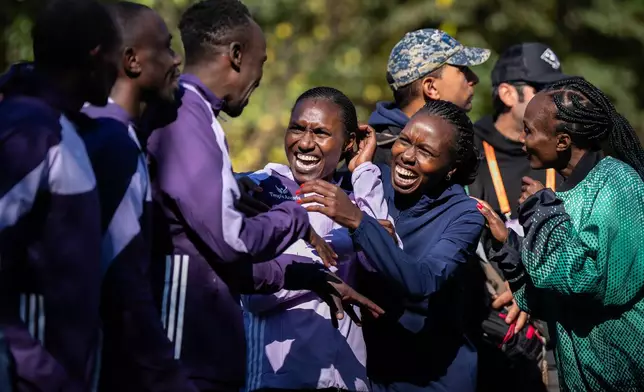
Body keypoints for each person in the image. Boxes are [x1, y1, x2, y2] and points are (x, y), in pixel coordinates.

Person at [147, 2, 380, 391]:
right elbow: (234, 243)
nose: (260, 76)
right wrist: (298, 219)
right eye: (262, 61)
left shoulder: (202, 119)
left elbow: (226, 259)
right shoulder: (188, 120)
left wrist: (306, 273)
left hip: (211, 358)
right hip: (184, 357)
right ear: (237, 56)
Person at [298, 100, 486, 391]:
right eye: (405, 141)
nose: (407, 157)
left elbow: (423, 280)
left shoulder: (464, 215)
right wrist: (247, 186)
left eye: (425, 151)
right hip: (369, 371)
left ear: (452, 168)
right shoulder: (374, 182)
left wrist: (360, 222)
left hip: (432, 377)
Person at [493, 76, 644, 391]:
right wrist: (509, 246)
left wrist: (541, 213)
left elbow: (588, 280)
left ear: (562, 141)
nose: (522, 139)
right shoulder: (564, 195)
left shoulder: (617, 182)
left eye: (530, 131)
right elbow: (555, 296)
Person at [0, 0, 120, 389]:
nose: (118, 72)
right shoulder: (34, 133)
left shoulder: (66, 128)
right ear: (96, 56)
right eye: (116, 56)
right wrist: (38, 370)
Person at [243, 87, 395, 392]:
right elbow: (254, 292)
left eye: (321, 132)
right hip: (280, 380)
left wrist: (365, 169)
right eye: (297, 128)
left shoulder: (353, 195)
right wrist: (349, 243)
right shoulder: (258, 190)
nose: (305, 143)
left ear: (348, 142)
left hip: (348, 380)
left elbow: (386, 263)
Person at [82, 3, 195, 391]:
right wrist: (168, 376)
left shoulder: (101, 129)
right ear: (131, 61)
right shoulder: (112, 143)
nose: (177, 58)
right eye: (165, 48)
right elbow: (123, 283)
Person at [470, 43, 567, 227]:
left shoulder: (567, 148)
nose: (555, 98)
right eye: (542, 89)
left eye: (558, 89)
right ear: (507, 94)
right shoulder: (467, 150)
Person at [368, 28, 490, 165]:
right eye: (463, 70)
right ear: (431, 88)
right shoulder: (377, 160)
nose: (474, 79)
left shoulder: (460, 144)